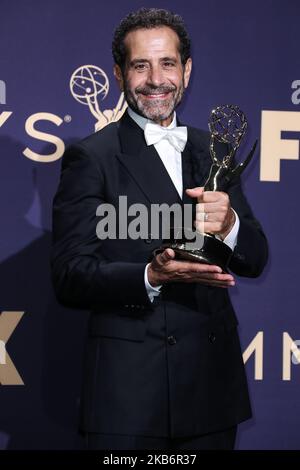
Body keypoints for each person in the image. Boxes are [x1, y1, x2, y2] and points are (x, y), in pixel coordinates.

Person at [51, 8, 268, 450]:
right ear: (118, 74)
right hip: (129, 396)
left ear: (186, 70)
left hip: (209, 391)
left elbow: (255, 257)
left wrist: (229, 225)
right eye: (140, 65)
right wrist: (150, 276)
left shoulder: (214, 150)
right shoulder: (92, 157)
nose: (156, 79)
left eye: (168, 63)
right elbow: (69, 275)